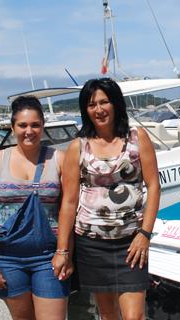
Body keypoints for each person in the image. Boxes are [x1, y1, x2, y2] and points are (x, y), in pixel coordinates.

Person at [52, 78, 160, 320]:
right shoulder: (77, 147)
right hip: (92, 244)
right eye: (91, 105)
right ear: (85, 110)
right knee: (109, 315)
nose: (98, 109)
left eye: (104, 102)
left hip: (131, 242)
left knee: (134, 316)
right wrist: (62, 250)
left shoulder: (137, 137)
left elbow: (153, 186)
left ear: (116, 104)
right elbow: (69, 202)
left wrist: (144, 234)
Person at [0, 96, 71, 319]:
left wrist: (65, 253)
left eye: (35, 125)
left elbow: (68, 210)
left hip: (49, 257)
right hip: (8, 258)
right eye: (23, 125)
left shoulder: (59, 159)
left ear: (43, 126)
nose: (29, 131)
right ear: (12, 127)